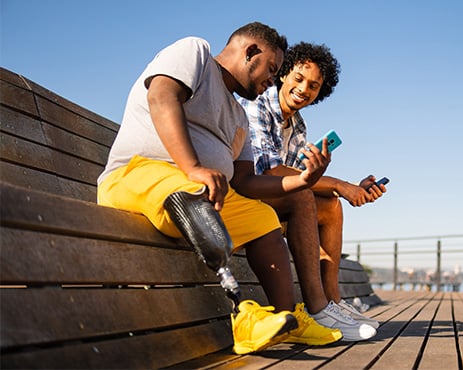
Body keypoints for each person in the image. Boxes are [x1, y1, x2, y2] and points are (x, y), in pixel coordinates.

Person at [97, 22, 350, 355]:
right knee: (193, 193)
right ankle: (240, 313)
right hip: (138, 175)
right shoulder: (195, 53)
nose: (272, 80)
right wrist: (193, 168)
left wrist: (304, 180)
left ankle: (286, 319)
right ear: (250, 52)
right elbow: (162, 96)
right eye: (272, 70)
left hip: (201, 195)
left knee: (263, 220)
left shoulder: (238, 118)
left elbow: (246, 181)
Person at [238, 42, 387, 340]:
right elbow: (272, 173)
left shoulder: (298, 126)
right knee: (309, 195)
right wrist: (340, 185)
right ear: (282, 75)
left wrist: (351, 189)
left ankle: (333, 303)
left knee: (331, 206)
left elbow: (299, 178)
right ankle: (318, 308)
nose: (304, 89)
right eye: (298, 78)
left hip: (274, 202)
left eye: (314, 86)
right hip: (242, 194)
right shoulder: (259, 106)